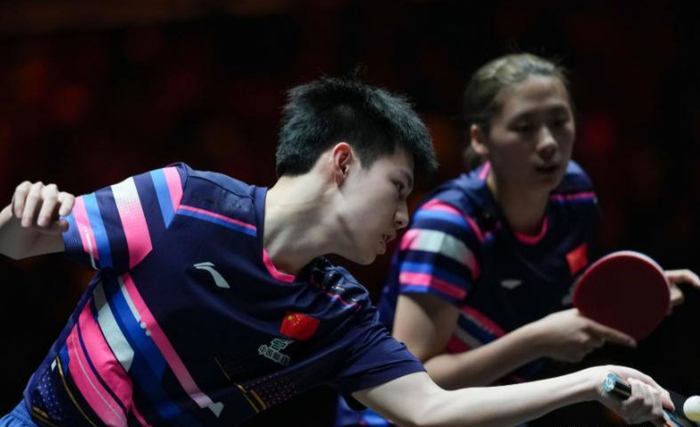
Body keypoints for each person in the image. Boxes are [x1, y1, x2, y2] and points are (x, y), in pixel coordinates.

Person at [0, 76, 673, 427]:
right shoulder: (180, 200)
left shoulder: (339, 312)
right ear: (343, 162)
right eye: (398, 188)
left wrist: (590, 383)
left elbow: (431, 408)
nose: (405, 216)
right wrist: (21, 211)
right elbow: (15, 243)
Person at [334, 55, 700, 426]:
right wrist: (537, 340)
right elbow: (416, 386)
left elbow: (546, 287)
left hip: (499, 410)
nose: (548, 143)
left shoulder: (574, 195)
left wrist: (631, 292)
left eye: (559, 121)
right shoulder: (448, 227)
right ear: (480, 139)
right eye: (525, 127)